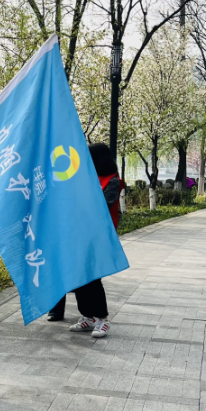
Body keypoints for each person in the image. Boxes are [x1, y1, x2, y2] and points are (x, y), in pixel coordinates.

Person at [47, 143, 124, 338]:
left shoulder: (113, 181)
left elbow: (104, 205)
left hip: (98, 237)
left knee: (92, 277)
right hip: (79, 234)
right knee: (79, 276)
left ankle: (102, 318)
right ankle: (87, 316)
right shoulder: (85, 179)